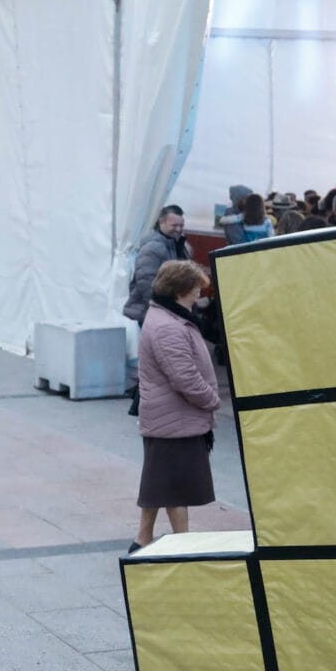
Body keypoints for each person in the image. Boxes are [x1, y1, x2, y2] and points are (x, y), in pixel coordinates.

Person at [129, 260, 220, 552]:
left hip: (167, 417)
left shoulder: (167, 317)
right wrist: (212, 399)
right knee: (175, 487)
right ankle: (183, 544)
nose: (199, 294)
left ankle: (142, 539)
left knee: (161, 483)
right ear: (181, 290)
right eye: (195, 288)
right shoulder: (169, 327)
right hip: (175, 418)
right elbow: (185, 378)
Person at [123, 205, 191, 326]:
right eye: (174, 225)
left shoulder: (175, 244)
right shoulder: (152, 248)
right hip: (147, 312)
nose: (179, 229)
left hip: (164, 310)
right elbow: (146, 283)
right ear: (161, 222)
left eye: (181, 225)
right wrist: (164, 310)